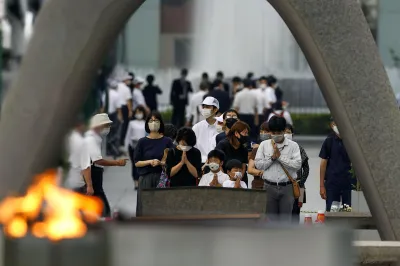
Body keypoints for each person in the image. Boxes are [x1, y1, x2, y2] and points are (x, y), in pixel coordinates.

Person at [254, 116, 301, 222]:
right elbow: (259, 165)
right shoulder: (264, 145)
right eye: (273, 132)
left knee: (285, 220)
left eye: (278, 132)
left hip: (287, 187)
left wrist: (280, 157)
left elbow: (297, 165)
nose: (276, 135)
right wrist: (272, 158)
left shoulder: (293, 146)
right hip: (269, 186)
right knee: (270, 220)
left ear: (284, 130)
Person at [80, 113, 128, 217]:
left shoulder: (95, 139)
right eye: (106, 126)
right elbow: (98, 161)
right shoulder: (91, 140)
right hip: (94, 172)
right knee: (100, 201)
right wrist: (117, 163)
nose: (108, 128)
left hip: (95, 173)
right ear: (97, 126)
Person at [134, 111, 174, 215]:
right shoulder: (142, 142)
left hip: (162, 178)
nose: (153, 122)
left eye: (156, 120)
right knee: (145, 208)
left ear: (160, 123)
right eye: (151, 120)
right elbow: (137, 162)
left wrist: (161, 163)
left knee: (161, 209)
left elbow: (173, 160)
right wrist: (149, 162)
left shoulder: (167, 141)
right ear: (147, 123)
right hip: (146, 178)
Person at [319, 119, 352, 212]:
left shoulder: (352, 141)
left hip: (349, 183)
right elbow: (323, 164)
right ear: (331, 125)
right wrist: (321, 186)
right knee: (332, 211)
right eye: (335, 124)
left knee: (348, 211)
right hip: (332, 183)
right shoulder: (329, 141)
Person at [285, 124, 309, 222]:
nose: (286, 134)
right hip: (283, 186)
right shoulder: (277, 148)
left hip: (297, 186)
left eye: (288, 132)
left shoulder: (299, 148)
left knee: (295, 211)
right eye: (284, 132)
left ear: (292, 134)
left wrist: (301, 182)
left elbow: (306, 168)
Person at [216, 121, 250, 185]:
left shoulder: (244, 147)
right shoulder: (223, 145)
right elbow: (218, 164)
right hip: (224, 178)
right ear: (236, 133)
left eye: (247, 133)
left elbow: (243, 165)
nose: (246, 136)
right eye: (245, 133)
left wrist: (239, 179)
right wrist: (227, 180)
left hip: (240, 179)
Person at [124, 106, 147, 189]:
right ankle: (136, 182)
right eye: (137, 112)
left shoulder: (146, 123)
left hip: (143, 147)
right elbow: (128, 135)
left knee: (143, 164)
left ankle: (141, 180)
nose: (138, 114)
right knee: (134, 164)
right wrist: (126, 147)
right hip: (133, 146)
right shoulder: (131, 123)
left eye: (140, 112)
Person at [192, 96, 220, 163]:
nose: (204, 109)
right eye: (203, 107)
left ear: (215, 109)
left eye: (207, 107)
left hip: (218, 162)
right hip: (200, 162)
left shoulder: (222, 126)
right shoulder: (196, 127)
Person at [102, 79, 123, 157]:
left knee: (106, 133)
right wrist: (120, 117)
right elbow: (118, 108)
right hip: (113, 115)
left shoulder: (105, 94)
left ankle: (106, 149)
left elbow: (103, 106)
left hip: (106, 114)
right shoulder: (116, 94)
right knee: (114, 133)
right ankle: (113, 150)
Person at [64, 117, 86, 191]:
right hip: (78, 181)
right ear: (80, 125)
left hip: (69, 180)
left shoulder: (68, 137)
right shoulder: (81, 142)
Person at [248, 122, 271, 189]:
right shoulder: (256, 150)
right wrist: (264, 173)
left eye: (266, 131)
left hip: (275, 187)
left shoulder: (278, 149)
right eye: (261, 131)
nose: (263, 133)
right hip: (258, 185)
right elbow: (250, 169)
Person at [117, 72, 133, 146]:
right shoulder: (126, 88)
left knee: (116, 126)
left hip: (116, 108)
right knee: (124, 126)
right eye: (129, 79)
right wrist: (130, 110)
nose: (130, 81)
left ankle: (115, 142)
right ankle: (121, 142)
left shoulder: (117, 86)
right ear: (125, 80)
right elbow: (128, 101)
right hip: (124, 108)